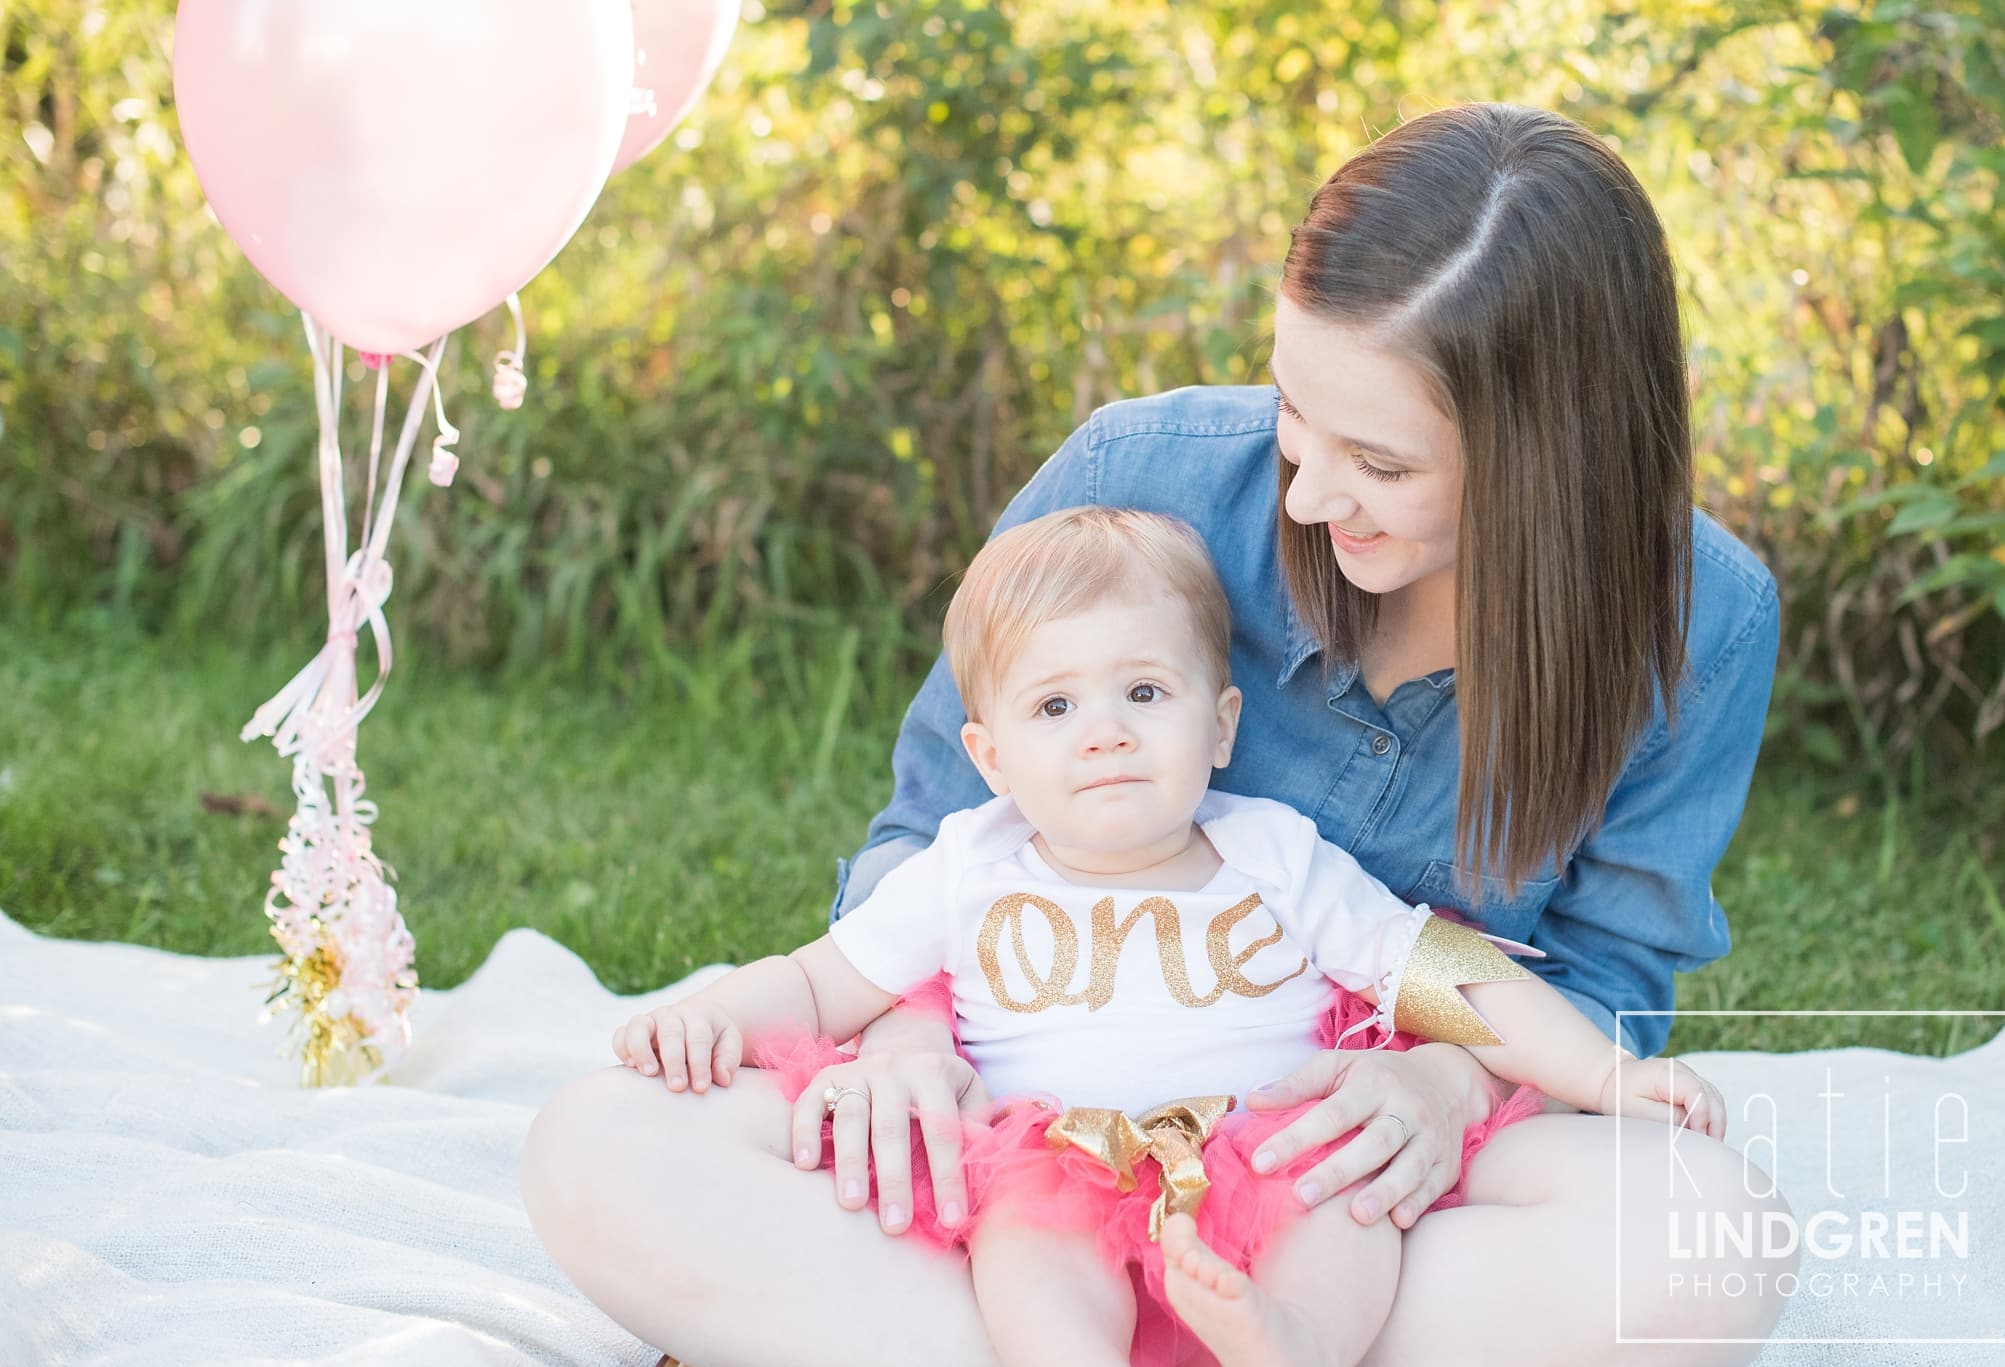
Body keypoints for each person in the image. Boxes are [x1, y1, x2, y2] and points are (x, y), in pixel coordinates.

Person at [524, 102, 1800, 1365]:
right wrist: (905, 1041)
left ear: (1547, 458)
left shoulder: (1698, 621)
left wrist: (1444, 1084)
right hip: (1022, 1154)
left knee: (1708, 1240)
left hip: (1340, 1183)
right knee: (602, 1143)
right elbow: (933, 826)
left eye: (1378, 461)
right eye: (1294, 406)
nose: (1304, 490)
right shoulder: (1139, 474)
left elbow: (1599, 976)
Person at [602, 506, 1727, 1367]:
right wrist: (712, 1013)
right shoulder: (969, 866)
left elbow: (1448, 977)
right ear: (989, 756)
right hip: (1062, 1160)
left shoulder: (1273, 853)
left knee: (1347, 1198)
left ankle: (1287, 1339)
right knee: (1028, 1255)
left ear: (1220, 723)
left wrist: (1603, 1069)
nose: (1103, 734)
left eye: (1143, 691)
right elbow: (815, 984)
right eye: (1054, 707)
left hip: (1261, 1154)